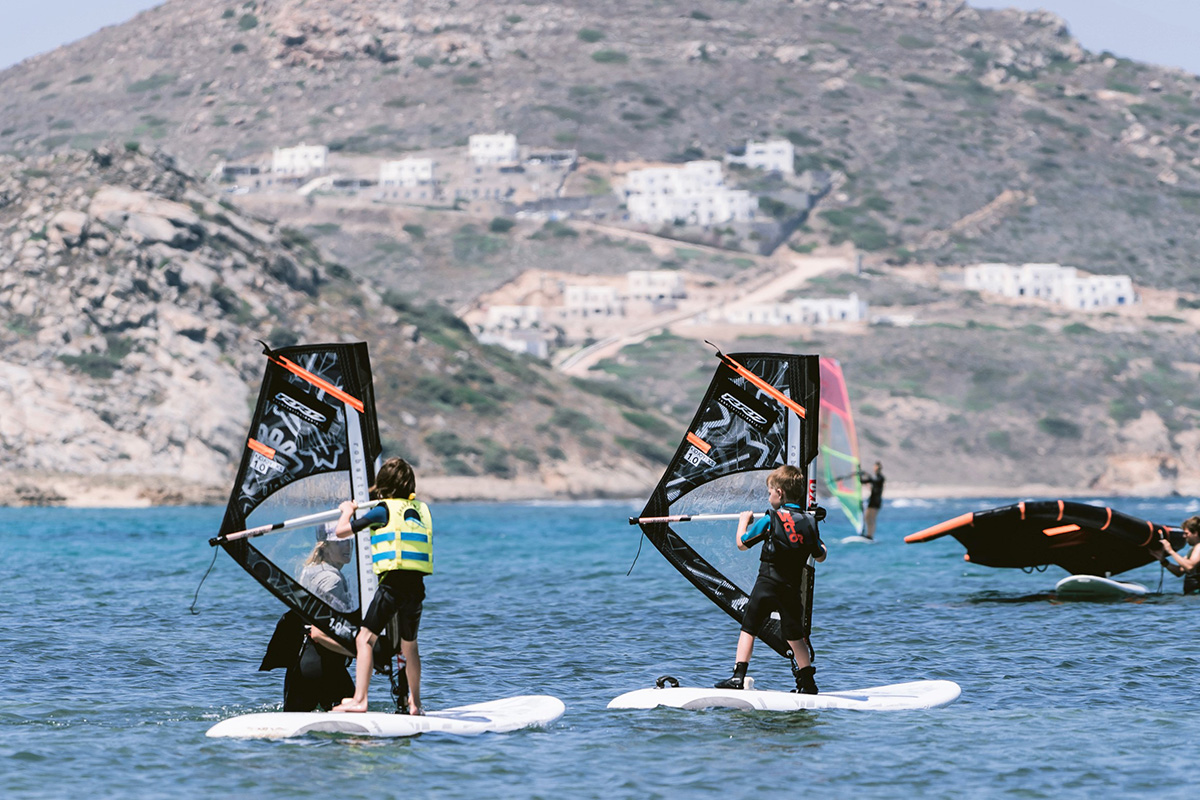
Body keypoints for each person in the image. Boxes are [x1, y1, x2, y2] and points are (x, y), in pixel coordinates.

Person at [715, 465, 827, 694]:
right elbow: (821, 555)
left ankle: (738, 676)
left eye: (769, 492)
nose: (768, 497)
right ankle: (808, 682)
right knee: (796, 637)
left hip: (767, 584)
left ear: (780, 493)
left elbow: (742, 543)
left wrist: (742, 521)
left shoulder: (770, 518)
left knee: (749, 628)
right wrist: (815, 534)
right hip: (791, 590)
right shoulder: (809, 523)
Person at [331, 457, 431, 715]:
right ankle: (415, 704)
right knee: (410, 646)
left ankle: (359, 700)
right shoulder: (419, 509)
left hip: (393, 586)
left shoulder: (382, 510)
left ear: (383, 484)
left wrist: (347, 511)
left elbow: (341, 532)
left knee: (364, 638)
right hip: (416, 588)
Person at [259, 535, 355, 712]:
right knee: (353, 729)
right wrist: (360, 653)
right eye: (339, 542)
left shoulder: (311, 570)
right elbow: (318, 633)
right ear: (325, 546)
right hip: (324, 666)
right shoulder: (332, 580)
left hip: (300, 665)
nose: (347, 546)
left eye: (348, 541)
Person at [1152, 515, 1200, 594]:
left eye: (1186, 533)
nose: (1184, 536)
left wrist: (1171, 551)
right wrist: (1163, 561)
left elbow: (1189, 567)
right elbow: (1179, 571)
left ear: (1195, 533)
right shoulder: (1194, 549)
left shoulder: (1199, 547)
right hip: (1192, 594)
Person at [859, 461, 885, 540]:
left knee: (872, 518)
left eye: (877, 467)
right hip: (872, 500)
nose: (875, 468)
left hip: (876, 501)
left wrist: (867, 475)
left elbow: (874, 480)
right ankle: (868, 534)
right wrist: (860, 474)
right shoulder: (874, 478)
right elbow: (863, 481)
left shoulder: (880, 478)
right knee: (867, 517)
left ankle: (870, 535)